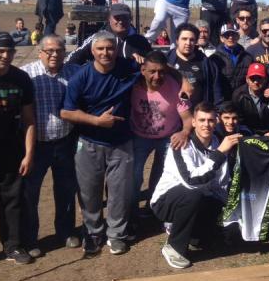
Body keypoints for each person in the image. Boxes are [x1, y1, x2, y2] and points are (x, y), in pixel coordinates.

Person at [61, 31, 141, 256]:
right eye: (100, 49)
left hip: (122, 143)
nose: (106, 52)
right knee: (89, 192)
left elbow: (158, 67)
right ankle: (94, 232)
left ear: (116, 49)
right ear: (92, 51)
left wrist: (182, 80)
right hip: (89, 142)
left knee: (119, 192)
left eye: (110, 48)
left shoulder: (128, 68)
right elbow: (66, 111)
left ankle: (116, 235)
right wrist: (96, 121)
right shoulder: (81, 76)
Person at [150, 102, 239, 269]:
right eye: (202, 120)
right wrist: (219, 154)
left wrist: (229, 209)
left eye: (211, 120)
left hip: (201, 196)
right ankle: (174, 247)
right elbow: (191, 181)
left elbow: (220, 182)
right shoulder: (180, 144)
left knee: (215, 206)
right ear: (193, 122)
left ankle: (195, 235)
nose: (206, 124)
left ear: (216, 121)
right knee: (193, 194)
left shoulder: (217, 141)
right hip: (166, 202)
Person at [20, 34, 81, 258]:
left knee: (66, 190)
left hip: (65, 142)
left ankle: (65, 232)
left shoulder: (73, 73)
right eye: (50, 51)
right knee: (30, 194)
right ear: (40, 52)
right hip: (36, 145)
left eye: (59, 51)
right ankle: (30, 238)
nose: (55, 55)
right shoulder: (27, 74)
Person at [0, 32, 36, 264]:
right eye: (0, 51)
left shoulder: (21, 79)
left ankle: (13, 246)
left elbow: (29, 120)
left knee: (11, 199)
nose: (6, 56)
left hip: (8, 146)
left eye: (10, 51)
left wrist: (28, 154)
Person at [130, 51, 193, 225]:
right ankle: (132, 210)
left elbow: (188, 118)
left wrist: (184, 132)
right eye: (152, 71)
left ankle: (154, 206)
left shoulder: (174, 87)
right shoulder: (132, 85)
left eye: (161, 72)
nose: (157, 76)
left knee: (161, 174)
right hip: (139, 136)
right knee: (134, 176)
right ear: (143, 70)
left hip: (167, 137)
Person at [66, 3, 151, 65]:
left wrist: (144, 63)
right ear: (109, 19)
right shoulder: (98, 38)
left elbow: (154, 64)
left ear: (130, 19)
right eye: (117, 18)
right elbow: (72, 60)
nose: (121, 21)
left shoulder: (141, 41)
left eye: (125, 17)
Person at [167, 23, 223, 108]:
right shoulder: (166, 60)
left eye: (192, 40)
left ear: (196, 42)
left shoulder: (207, 63)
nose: (188, 43)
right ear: (177, 40)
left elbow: (217, 91)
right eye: (184, 39)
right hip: (172, 114)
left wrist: (217, 111)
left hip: (198, 115)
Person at [232, 63, 269, 137]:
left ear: (265, 79)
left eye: (259, 78)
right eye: (252, 78)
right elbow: (240, 121)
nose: (256, 82)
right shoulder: (238, 95)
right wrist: (248, 134)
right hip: (249, 134)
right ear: (247, 79)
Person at [211, 24, 253, 100]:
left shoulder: (247, 57)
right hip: (223, 101)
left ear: (238, 36)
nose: (230, 37)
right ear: (221, 38)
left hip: (242, 100)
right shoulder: (214, 58)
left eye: (233, 34)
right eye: (227, 35)